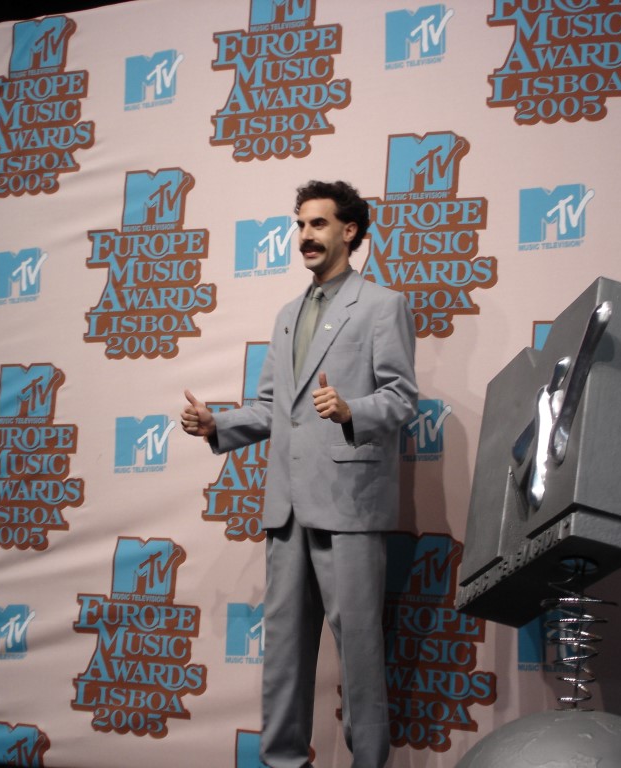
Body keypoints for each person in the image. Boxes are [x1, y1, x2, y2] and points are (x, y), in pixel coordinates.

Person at [181, 180, 417, 767]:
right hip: (286, 506)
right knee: (283, 651)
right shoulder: (288, 315)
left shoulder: (382, 304)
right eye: (301, 225)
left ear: (350, 232)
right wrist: (217, 425)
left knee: (359, 651)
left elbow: (402, 399)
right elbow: (272, 408)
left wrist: (352, 409)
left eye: (319, 224)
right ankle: (283, 761)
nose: (306, 235)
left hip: (349, 503)